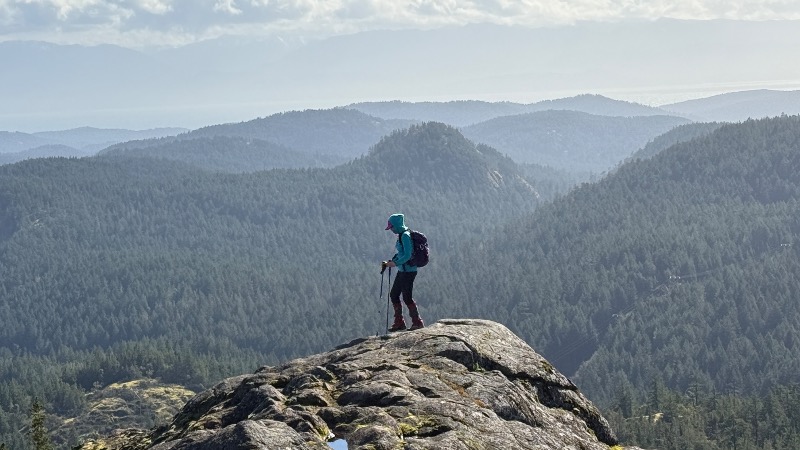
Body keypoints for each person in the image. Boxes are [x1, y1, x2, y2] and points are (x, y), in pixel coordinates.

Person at [381, 213, 425, 331]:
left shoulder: (405, 236)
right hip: (403, 270)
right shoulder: (401, 235)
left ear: (397, 225)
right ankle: (399, 322)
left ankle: (417, 322)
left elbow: (407, 255)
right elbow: (401, 254)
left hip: (409, 271)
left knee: (407, 297)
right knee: (394, 294)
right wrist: (393, 261)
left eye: (392, 227)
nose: (391, 230)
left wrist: (395, 263)